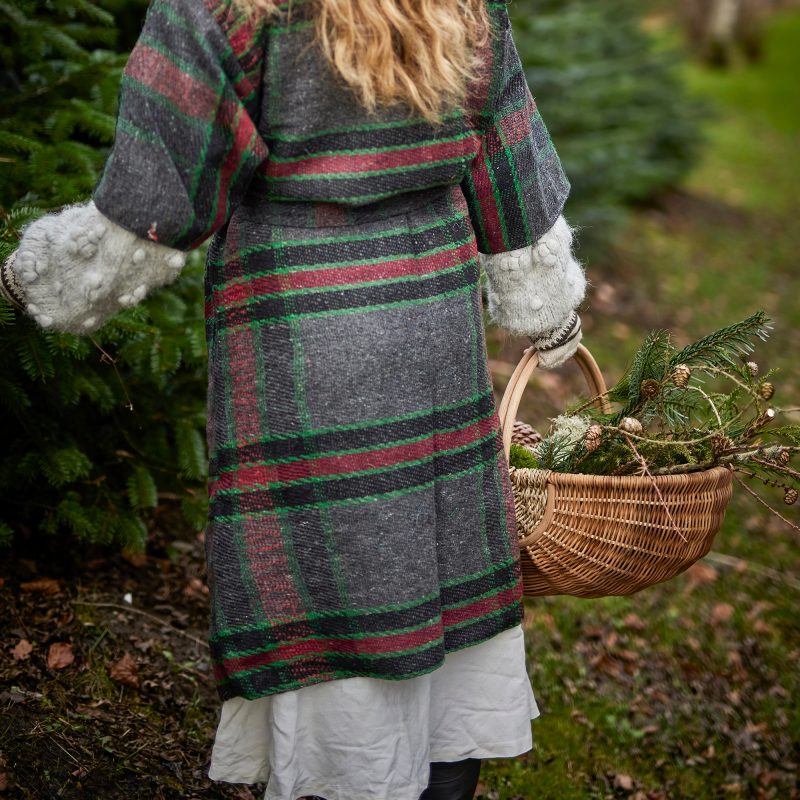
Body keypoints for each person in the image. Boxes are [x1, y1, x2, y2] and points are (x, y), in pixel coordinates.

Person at [0, 0, 586, 797]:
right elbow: (508, 166)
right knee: (437, 584)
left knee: (334, 599)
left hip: (302, 346)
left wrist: (29, 283)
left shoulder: (220, 9)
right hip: (434, 331)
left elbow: (148, 213)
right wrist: (551, 314)